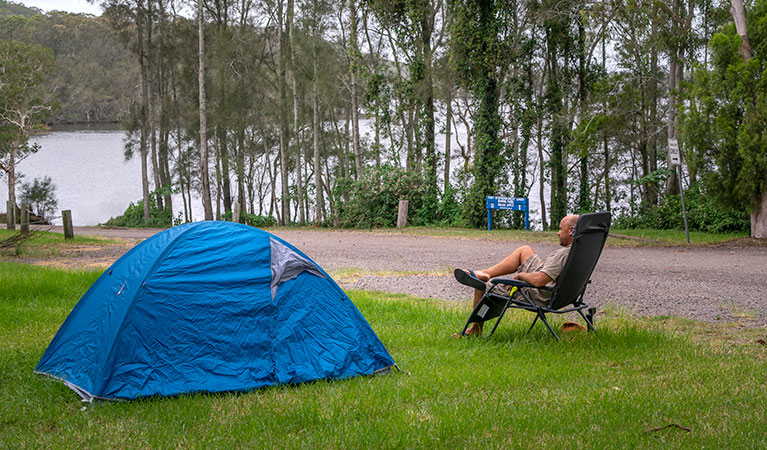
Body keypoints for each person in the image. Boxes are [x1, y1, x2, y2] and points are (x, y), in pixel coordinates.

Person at [454, 214, 579, 337]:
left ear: (571, 231)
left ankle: (476, 330)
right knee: (524, 250)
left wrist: (521, 276)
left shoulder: (563, 254)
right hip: (562, 292)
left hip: (539, 294)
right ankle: (486, 273)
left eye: (560, 229)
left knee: (483, 286)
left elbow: (539, 281)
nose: (558, 233)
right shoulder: (581, 249)